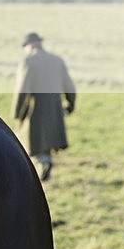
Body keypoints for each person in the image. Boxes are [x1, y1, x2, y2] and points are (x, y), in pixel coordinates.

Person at [12, 32, 76, 181]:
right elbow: (69, 87)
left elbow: (22, 90)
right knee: (47, 139)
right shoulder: (57, 60)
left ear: (30, 45)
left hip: (35, 108)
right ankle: (46, 166)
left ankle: (41, 166)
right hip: (55, 108)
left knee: (32, 141)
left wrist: (17, 112)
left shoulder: (28, 61)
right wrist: (70, 105)